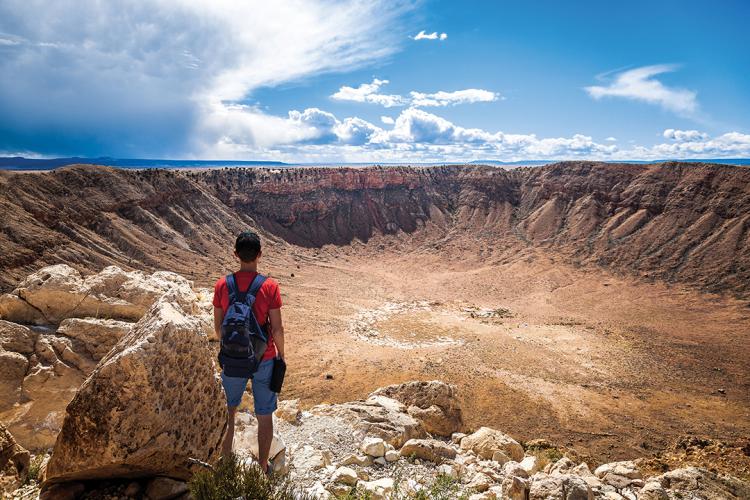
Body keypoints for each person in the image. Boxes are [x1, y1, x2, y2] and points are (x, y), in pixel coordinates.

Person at [212, 230, 284, 473]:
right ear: (260, 255)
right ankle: (263, 466)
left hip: (232, 359)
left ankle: (225, 465)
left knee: (229, 412)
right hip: (264, 359)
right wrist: (280, 355)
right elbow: (277, 328)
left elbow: (218, 328)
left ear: (235, 254)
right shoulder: (270, 286)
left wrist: (233, 348)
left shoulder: (222, 285)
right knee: (264, 415)